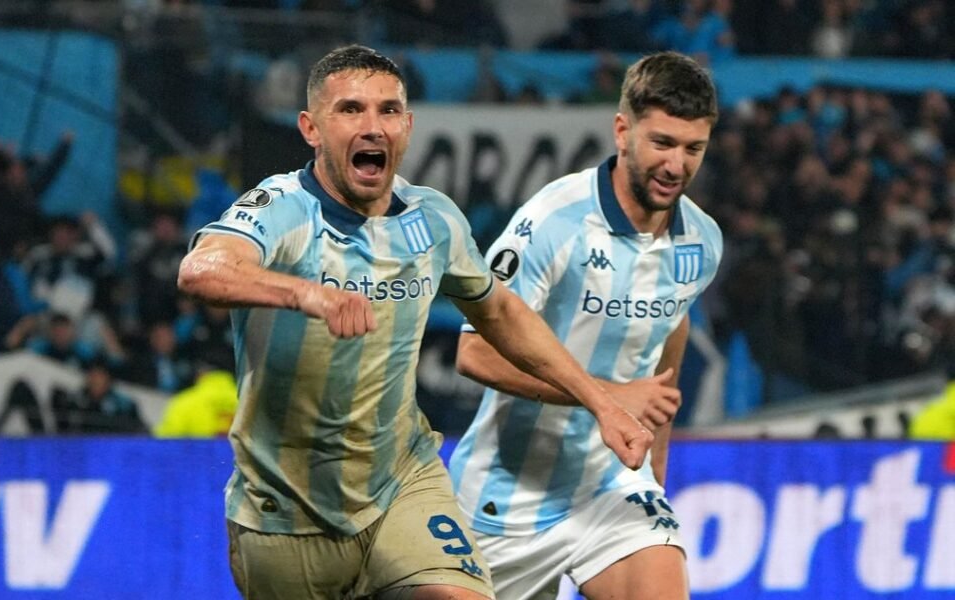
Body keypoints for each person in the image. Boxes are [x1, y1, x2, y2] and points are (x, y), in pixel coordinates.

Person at [177, 44, 660, 600]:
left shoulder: (433, 219)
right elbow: (201, 270)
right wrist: (306, 293)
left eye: (388, 110)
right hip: (284, 510)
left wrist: (602, 403)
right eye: (351, 109)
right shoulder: (281, 207)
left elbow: (500, 312)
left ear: (407, 126)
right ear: (311, 128)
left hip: (401, 484)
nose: (373, 126)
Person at [448, 51, 723, 599]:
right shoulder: (554, 220)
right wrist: (608, 399)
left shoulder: (702, 241)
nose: (676, 165)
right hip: (508, 495)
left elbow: (673, 327)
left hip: (612, 484)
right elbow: (474, 352)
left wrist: (655, 467)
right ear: (622, 131)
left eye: (693, 148)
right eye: (663, 143)